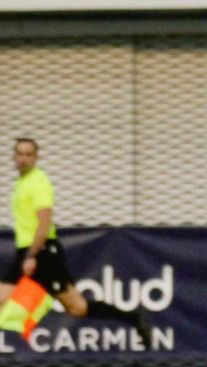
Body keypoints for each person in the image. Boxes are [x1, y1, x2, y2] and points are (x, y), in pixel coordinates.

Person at [2, 138, 149, 344]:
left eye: (28, 155)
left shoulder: (38, 181)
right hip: (25, 252)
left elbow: (44, 221)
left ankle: (133, 318)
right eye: (20, 154)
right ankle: (133, 318)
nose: (23, 159)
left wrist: (32, 256)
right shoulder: (20, 184)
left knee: (77, 307)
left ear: (36, 158)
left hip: (42, 253)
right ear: (14, 157)